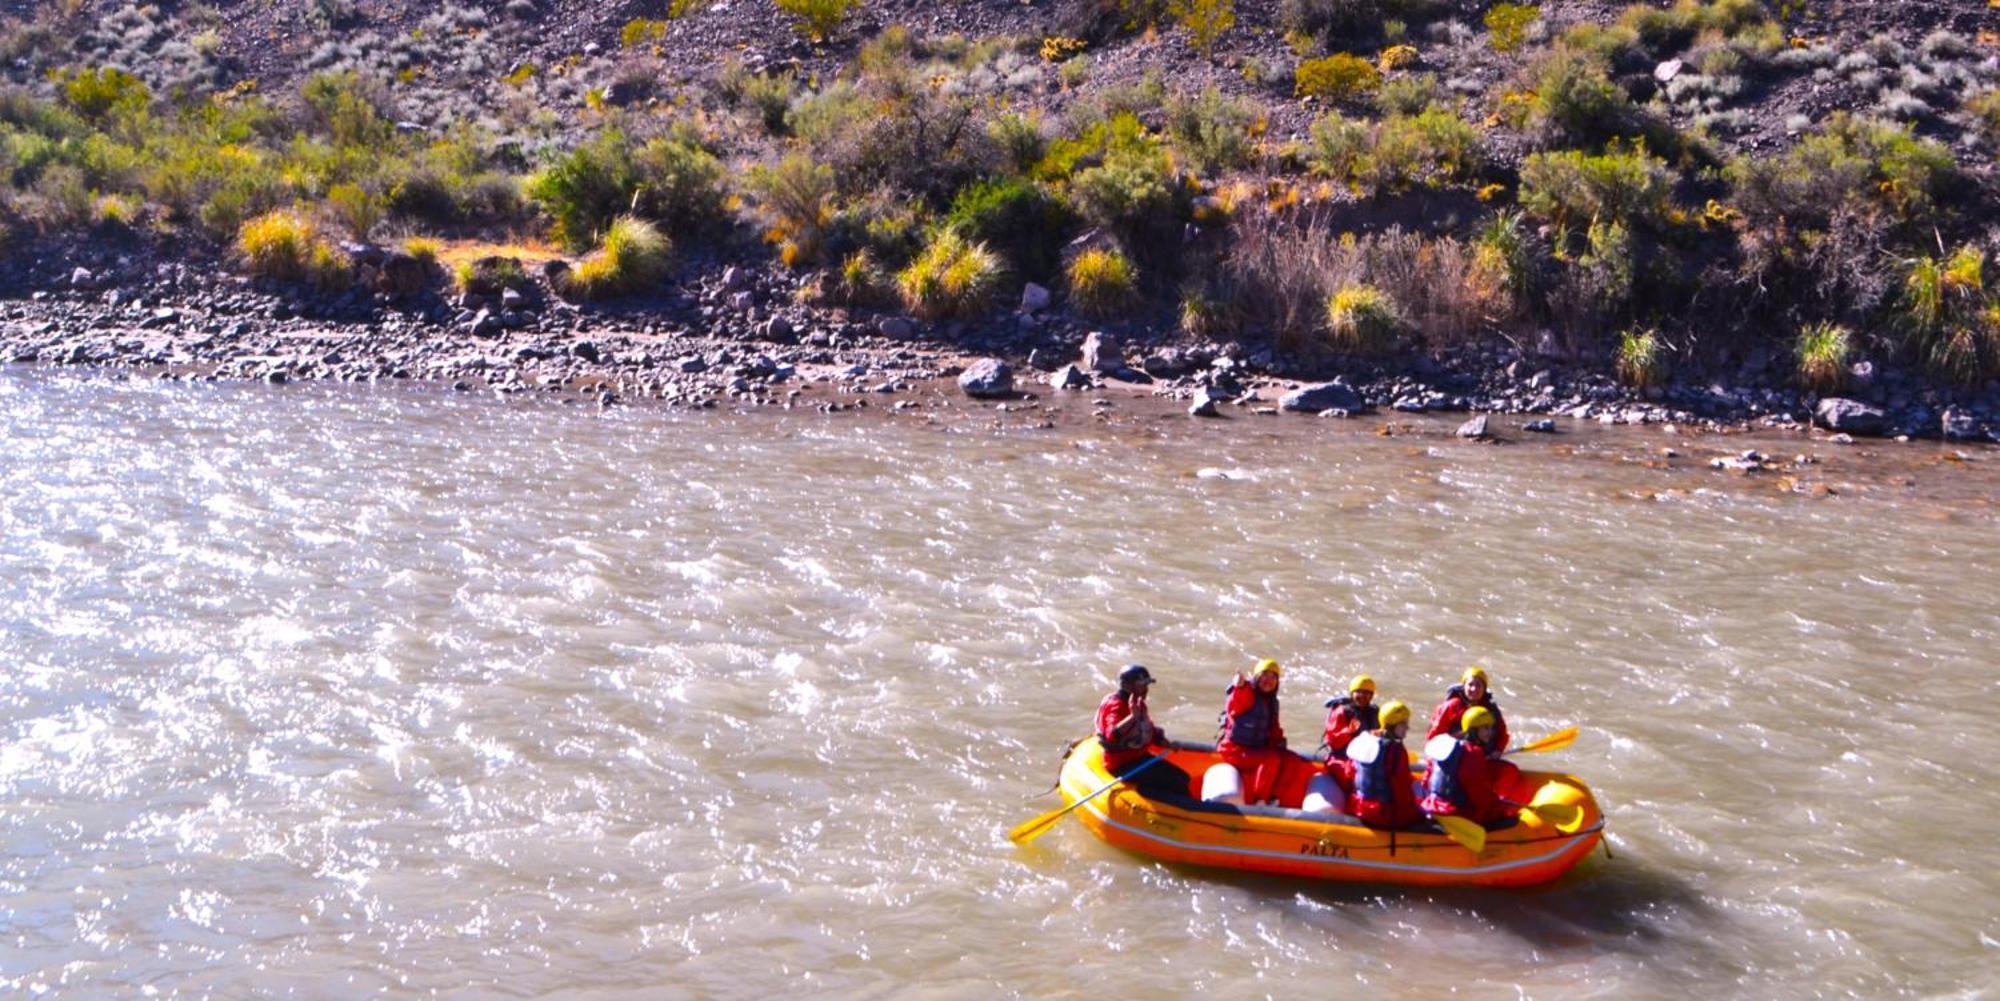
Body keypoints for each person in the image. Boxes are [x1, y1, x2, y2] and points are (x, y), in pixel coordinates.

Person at [1217, 659, 1314, 806]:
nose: (1268, 680)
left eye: (1273, 677)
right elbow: (1237, 702)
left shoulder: (1272, 702)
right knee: (1270, 759)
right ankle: (1259, 800)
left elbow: (1274, 729)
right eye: (1264, 675)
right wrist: (1240, 686)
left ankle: (1275, 799)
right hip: (1235, 750)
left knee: (1292, 759)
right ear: (1256, 677)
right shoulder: (1246, 692)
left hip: (1255, 750)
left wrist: (1280, 746)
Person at [1095, 664, 1188, 799]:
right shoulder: (1117, 705)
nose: (1146, 689)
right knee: (1175, 783)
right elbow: (1111, 735)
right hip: (1122, 764)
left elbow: (1149, 729)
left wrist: (1167, 744)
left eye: (1146, 685)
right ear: (1128, 685)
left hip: (1139, 758)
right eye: (1142, 685)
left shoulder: (1138, 703)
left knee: (1182, 778)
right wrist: (1131, 717)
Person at [1419, 706, 1520, 827]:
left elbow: (1426, 782)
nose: (1490, 733)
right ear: (1473, 730)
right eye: (1485, 728)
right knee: (1503, 812)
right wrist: (1497, 804)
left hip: (1431, 805)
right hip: (1455, 813)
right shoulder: (1473, 753)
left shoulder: (1444, 744)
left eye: (1491, 728)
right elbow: (1479, 794)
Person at [1346, 700, 1423, 830]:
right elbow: (1401, 789)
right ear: (1392, 725)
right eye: (1403, 724)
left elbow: (1349, 771)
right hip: (1383, 815)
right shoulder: (1395, 750)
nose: (1407, 728)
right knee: (1424, 807)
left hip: (1358, 806)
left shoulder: (1365, 738)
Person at [1427, 665, 1510, 755]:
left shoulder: (1491, 709)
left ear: (1484, 689)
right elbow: (1433, 738)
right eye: (1470, 684)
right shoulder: (1451, 706)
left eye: (1478, 685)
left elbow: (1503, 735)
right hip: (1453, 757)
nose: (1474, 689)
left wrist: (1498, 750)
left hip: (1484, 756)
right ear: (1464, 686)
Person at [1321, 675, 1380, 761]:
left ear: (1371, 696)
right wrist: (1349, 731)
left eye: (1367, 693)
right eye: (1359, 692)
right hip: (1342, 758)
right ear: (1352, 694)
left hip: (1367, 755)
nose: (1362, 697)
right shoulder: (1341, 712)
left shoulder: (1374, 711)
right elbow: (1333, 742)